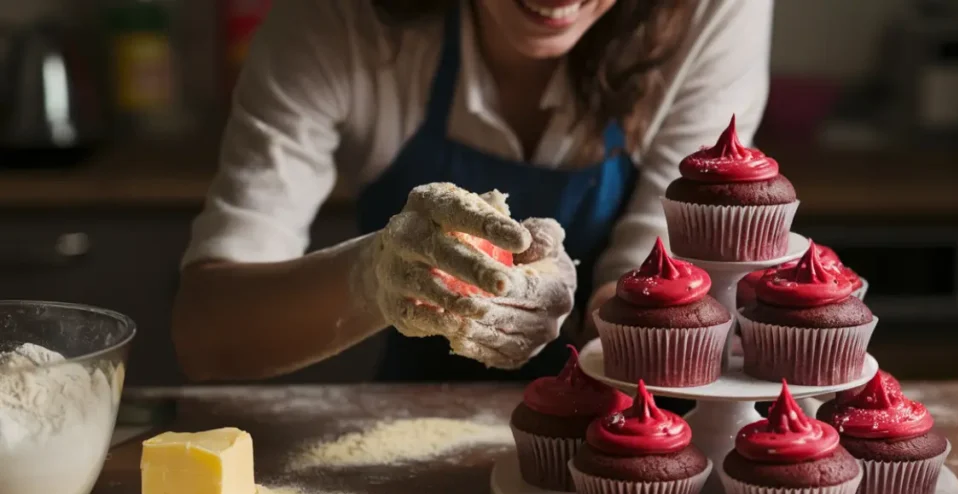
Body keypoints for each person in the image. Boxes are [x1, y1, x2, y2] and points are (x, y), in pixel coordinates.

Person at [172, 0, 773, 382]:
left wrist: (617, 309)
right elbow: (207, 334)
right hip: (400, 432)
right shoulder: (339, 20)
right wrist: (377, 278)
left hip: (609, 436)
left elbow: (660, 275)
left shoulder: (708, 12)